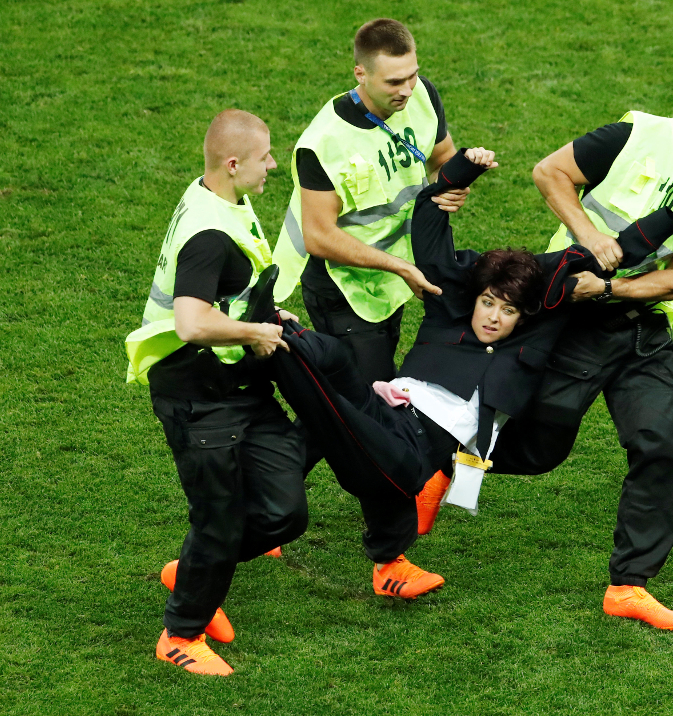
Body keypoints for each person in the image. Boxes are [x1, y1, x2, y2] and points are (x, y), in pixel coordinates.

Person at [123, 110, 444, 677]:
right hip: (199, 395)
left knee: (284, 512)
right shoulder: (207, 234)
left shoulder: (219, 197)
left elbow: (227, 293)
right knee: (220, 517)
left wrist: (261, 311)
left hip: (238, 384)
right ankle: (180, 634)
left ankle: (196, 569)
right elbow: (194, 323)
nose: (274, 165)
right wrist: (255, 331)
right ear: (232, 164)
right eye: (265, 157)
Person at [258, 146, 608, 572]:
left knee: (339, 418)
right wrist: (458, 172)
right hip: (388, 413)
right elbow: (429, 229)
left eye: (509, 310)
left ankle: (380, 560)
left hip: (408, 453)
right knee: (334, 363)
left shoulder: (533, 333)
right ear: (475, 296)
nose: (495, 317)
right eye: (487, 302)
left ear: (524, 315)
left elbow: (580, 273)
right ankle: (273, 327)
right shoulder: (450, 310)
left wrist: (666, 221)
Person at [489, 100, 673, 630]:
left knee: (663, 442)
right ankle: (436, 461)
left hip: (641, 326)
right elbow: (549, 172)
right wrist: (589, 237)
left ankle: (629, 585)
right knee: (538, 450)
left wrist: (612, 288)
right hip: (571, 318)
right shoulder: (635, 138)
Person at [270, 18, 470, 384]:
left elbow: (442, 158)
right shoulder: (324, 143)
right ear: (360, 74)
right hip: (345, 291)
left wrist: (454, 182)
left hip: (392, 276)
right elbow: (318, 236)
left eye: (412, 75)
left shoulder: (422, 94)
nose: (407, 90)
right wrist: (401, 267)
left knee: (365, 394)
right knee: (364, 401)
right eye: (394, 82)